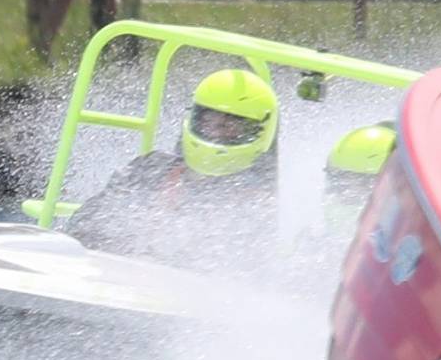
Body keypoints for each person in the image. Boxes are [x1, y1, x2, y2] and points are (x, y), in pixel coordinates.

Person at [65, 68, 280, 256]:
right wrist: (125, 248)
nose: (216, 131)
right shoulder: (149, 169)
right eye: (209, 121)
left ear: (259, 132)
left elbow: (241, 273)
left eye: (230, 126)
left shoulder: (257, 205)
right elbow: (83, 225)